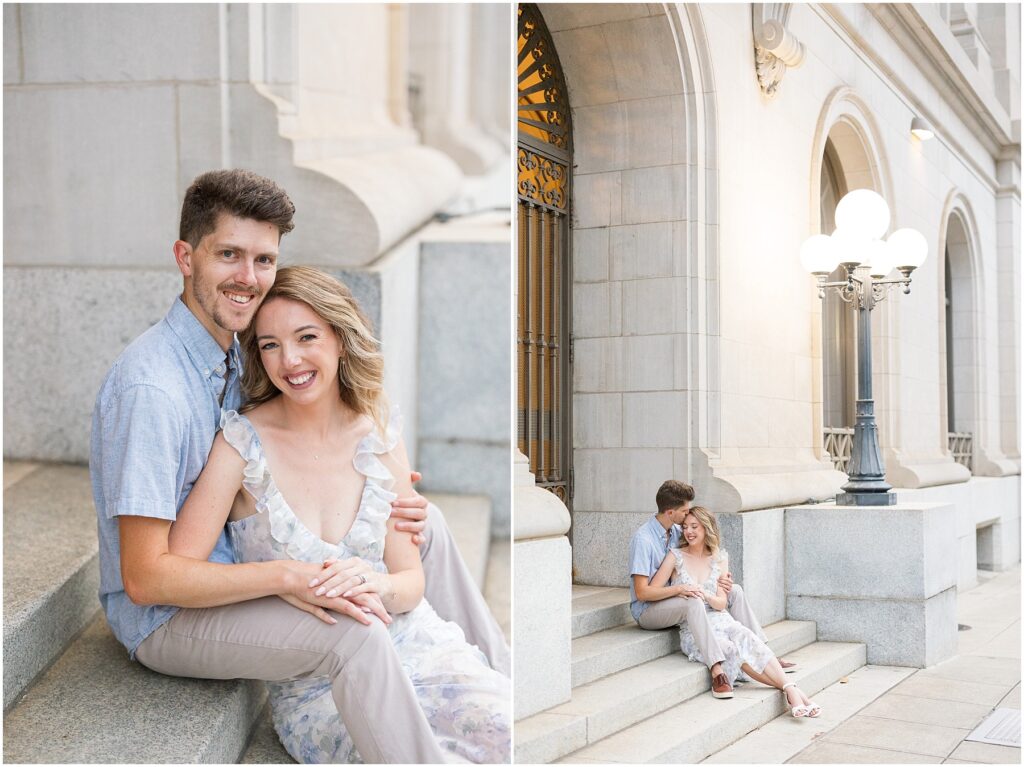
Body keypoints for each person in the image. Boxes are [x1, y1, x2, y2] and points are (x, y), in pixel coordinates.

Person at [90, 169, 507, 764]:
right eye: (228, 254)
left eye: (263, 259)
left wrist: (373, 490)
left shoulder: (231, 350)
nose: (248, 278)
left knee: (423, 522)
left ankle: (507, 686)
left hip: (232, 571)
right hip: (168, 614)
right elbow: (148, 580)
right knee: (353, 629)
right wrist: (289, 576)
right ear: (186, 257)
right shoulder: (152, 390)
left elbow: (311, 433)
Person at [167, 265, 511, 762]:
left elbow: (411, 580)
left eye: (306, 337)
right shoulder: (241, 445)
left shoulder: (378, 434)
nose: (290, 360)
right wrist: (280, 579)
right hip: (321, 686)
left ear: (340, 339)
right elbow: (179, 569)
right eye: (269, 345)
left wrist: (379, 586)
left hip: (420, 647)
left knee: (502, 729)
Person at [628, 480, 795, 700]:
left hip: (676, 598)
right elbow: (642, 593)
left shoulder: (677, 528)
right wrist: (680, 588)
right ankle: (716, 668)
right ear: (671, 512)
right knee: (693, 600)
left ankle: (764, 652)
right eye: (685, 511)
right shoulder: (644, 539)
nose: (688, 520)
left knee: (733, 590)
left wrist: (719, 578)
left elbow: (699, 550)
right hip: (649, 609)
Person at [650, 505, 820, 717]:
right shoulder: (676, 556)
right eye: (685, 527)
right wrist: (680, 590)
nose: (689, 532)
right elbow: (654, 589)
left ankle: (791, 691)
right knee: (732, 650)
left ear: (707, 529)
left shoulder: (719, 558)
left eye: (695, 526)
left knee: (747, 637)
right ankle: (794, 692)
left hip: (722, 619)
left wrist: (706, 595)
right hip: (697, 629)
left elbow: (721, 603)